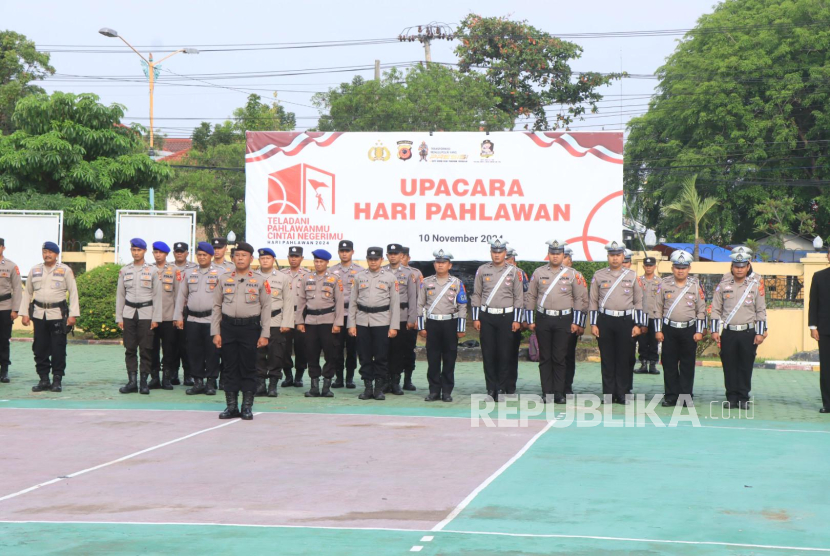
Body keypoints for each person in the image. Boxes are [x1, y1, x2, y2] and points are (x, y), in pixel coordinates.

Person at [211, 241, 270, 420]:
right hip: (228, 327)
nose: (240, 258)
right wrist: (216, 332)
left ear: (251, 259)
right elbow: (216, 306)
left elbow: (267, 307)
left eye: (244, 255)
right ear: (233, 258)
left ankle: (246, 406)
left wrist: (265, 334)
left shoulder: (260, 280)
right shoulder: (223, 279)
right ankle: (231, 406)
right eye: (237, 255)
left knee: (248, 367)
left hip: (250, 328)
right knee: (229, 367)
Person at [525, 240, 588, 404]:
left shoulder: (572, 274)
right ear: (549, 254)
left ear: (562, 255)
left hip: (564, 319)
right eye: (552, 253)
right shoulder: (538, 273)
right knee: (545, 357)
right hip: (543, 318)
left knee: (560, 357)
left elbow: (579, 299)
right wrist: (529, 319)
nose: (555, 256)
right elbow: (531, 296)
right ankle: (547, 392)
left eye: (558, 253)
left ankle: (559, 393)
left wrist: (577, 321)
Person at [589, 240, 645, 404]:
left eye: (618, 255)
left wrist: (638, 325)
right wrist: (593, 324)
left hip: (626, 321)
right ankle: (608, 393)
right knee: (607, 358)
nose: (615, 259)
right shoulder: (599, 275)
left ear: (623, 256)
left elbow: (639, 302)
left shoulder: (632, 276)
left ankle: (622, 393)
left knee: (624, 358)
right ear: (608, 256)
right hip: (605, 320)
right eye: (612, 255)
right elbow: (593, 301)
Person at [19, 242, 80, 392]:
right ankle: (44, 379)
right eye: (45, 251)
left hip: (58, 315)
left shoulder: (65, 270)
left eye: (50, 252)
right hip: (39, 315)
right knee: (40, 348)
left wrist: (73, 315)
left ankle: (57, 379)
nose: (47, 255)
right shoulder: (35, 270)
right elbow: (27, 293)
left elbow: (73, 293)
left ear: (56, 254)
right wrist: (24, 314)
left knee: (58, 348)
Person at [710, 251, 767, 409]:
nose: (739, 269)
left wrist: (760, 332)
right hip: (729, 332)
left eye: (742, 266)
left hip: (748, 332)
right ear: (732, 266)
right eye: (736, 266)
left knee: (745, 365)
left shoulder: (755, 284)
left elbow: (761, 310)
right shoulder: (724, 284)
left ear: (748, 266)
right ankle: (731, 397)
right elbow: (716, 308)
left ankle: (743, 397)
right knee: (729, 364)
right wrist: (715, 330)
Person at [470, 239, 524, 401]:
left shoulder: (514, 272)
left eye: (500, 252)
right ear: (491, 253)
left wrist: (517, 319)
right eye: (494, 252)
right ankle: (490, 389)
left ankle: (501, 387)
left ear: (505, 253)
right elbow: (477, 295)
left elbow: (518, 297)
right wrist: (476, 317)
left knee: (504, 353)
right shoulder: (482, 270)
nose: (497, 255)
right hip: (487, 317)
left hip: (506, 317)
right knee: (488, 353)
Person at [653, 251, 707, 407]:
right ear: (672, 268)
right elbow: (657, 308)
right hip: (669, 329)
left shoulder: (696, 285)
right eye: (677, 267)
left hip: (689, 330)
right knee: (669, 364)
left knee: (687, 365)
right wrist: (658, 330)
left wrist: (699, 331)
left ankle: (685, 396)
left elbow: (701, 309)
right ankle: (670, 396)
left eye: (683, 267)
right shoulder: (663, 284)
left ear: (689, 268)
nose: (680, 270)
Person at [348, 247, 400, 400]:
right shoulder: (359, 277)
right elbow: (352, 302)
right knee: (364, 356)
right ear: (367, 259)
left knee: (380, 356)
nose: (373, 262)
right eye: (370, 259)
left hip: (382, 321)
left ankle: (378, 388)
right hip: (362, 320)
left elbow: (395, 304)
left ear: (381, 260)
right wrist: (351, 324)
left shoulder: (390, 278)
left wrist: (394, 326)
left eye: (376, 259)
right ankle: (367, 388)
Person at [417, 249, 467, 402]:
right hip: (432, 323)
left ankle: (446, 391)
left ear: (449, 265)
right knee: (432, 358)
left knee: (449, 358)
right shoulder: (426, 282)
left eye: (443, 262)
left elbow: (462, 306)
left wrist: (461, 327)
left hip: (450, 323)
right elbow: (420, 304)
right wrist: (421, 327)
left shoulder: (457, 283)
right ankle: (433, 390)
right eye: (438, 262)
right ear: (434, 264)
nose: (440, 265)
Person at [173, 242, 222, 396]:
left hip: (211, 319)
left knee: (212, 352)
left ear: (210, 256)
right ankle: (198, 382)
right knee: (194, 352)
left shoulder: (220, 273)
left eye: (204, 255)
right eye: (199, 255)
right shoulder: (189, 273)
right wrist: (178, 316)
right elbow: (181, 296)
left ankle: (210, 383)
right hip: (193, 319)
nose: (201, 257)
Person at [116, 238, 163, 395]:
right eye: (133, 250)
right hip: (129, 313)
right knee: (129, 348)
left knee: (146, 348)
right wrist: (119, 317)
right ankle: (131, 382)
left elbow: (157, 296)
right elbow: (120, 295)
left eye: (139, 250)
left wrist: (156, 318)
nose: (136, 252)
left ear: (144, 252)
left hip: (146, 313)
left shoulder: (153, 271)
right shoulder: (125, 270)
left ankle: (143, 382)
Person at [296, 249, 345, 398]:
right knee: (311, 353)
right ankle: (314, 386)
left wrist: (338, 323)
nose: (318, 264)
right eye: (316, 261)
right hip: (310, 321)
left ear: (327, 263)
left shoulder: (334, 279)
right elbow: (301, 301)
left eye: (321, 262)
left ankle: (326, 386)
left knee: (331, 354)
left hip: (328, 321)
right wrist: (299, 321)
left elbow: (340, 302)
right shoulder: (306, 278)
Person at [254, 248, 294, 398]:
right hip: (257, 320)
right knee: (258, 354)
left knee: (275, 354)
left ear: (273, 260)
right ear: (259, 260)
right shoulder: (253, 277)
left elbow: (288, 302)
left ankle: (273, 385)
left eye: (268, 258)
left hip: (276, 320)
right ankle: (260, 384)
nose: (265, 261)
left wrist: (287, 323)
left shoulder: (282, 278)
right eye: (262, 258)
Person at [383, 244, 418, 395]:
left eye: (396, 253)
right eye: (390, 253)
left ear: (401, 256)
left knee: (400, 350)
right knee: (385, 350)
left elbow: (413, 297)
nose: (393, 256)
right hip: (384, 317)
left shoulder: (410, 273)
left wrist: (412, 318)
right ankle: (385, 381)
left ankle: (397, 381)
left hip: (403, 316)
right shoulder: (381, 271)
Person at [329, 240, 362, 388]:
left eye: (347, 251)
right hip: (337, 314)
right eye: (342, 251)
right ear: (338, 252)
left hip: (352, 314)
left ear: (352, 252)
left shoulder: (360, 271)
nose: (344, 253)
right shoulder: (331, 271)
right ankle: (339, 378)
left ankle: (349, 378)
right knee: (336, 348)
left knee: (352, 348)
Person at [149, 241, 179, 390]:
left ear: (166, 254)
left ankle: (166, 378)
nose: (158, 255)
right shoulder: (148, 270)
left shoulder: (174, 270)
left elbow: (178, 295)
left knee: (169, 349)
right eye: (155, 252)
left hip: (168, 316)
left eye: (160, 252)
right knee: (151, 348)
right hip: (151, 317)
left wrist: (177, 316)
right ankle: (154, 378)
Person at [280, 246, 310, 387]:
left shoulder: (308, 274)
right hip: (285, 313)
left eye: (296, 256)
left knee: (301, 346)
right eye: (291, 256)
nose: (293, 259)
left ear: (301, 258)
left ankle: (299, 376)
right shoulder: (281, 274)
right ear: (288, 257)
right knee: (284, 346)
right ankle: (288, 375)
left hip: (301, 313)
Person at [171, 242, 197, 386]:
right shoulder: (168, 268)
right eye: (177, 251)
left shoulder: (194, 268)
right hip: (170, 309)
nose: (179, 253)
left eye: (182, 251)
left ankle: (189, 374)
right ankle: (173, 373)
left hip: (187, 311)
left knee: (187, 344)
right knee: (172, 344)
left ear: (187, 253)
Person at [808, 249, 830, 414]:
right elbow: (813, 303)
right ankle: (828, 404)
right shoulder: (819, 276)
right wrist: (813, 326)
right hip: (825, 329)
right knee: (827, 368)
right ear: (828, 256)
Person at [505, 247, 529, 394]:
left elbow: (526, 297)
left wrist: (524, 319)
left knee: (511, 353)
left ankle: (510, 384)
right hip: (497, 315)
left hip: (515, 318)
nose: (507, 261)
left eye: (509, 259)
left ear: (514, 260)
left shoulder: (520, 274)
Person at [0, 238, 22, 384]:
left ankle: (4, 371)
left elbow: (17, 289)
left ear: (3, 248)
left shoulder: (11, 266)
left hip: (5, 307)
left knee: (3, 340)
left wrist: (15, 309)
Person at [634, 256, 661, 375]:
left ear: (655, 266)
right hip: (642, 315)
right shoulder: (638, 281)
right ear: (643, 266)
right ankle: (643, 364)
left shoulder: (660, 282)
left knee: (654, 341)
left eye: (651, 265)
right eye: (647, 265)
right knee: (642, 341)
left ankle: (653, 364)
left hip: (655, 316)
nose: (648, 267)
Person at [401, 246, 422, 391]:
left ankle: (407, 379)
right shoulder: (386, 272)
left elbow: (420, 297)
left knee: (408, 349)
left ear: (408, 258)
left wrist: (416, 319)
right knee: (389, 350)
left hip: (409, 315)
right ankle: (389, 379)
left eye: (403, 256)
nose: (400, 259)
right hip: (389, 318)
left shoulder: (416, 273)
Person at [563, 247, 579, 394]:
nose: (564, 259)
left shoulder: (575, 277)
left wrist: (579, 322)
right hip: (554, 317)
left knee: (568, 354)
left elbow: (583, 301)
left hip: (571, 319)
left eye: (566, 257)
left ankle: (567, 385)